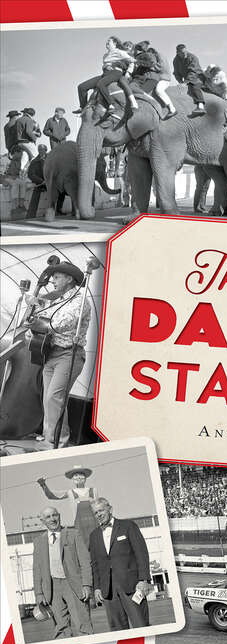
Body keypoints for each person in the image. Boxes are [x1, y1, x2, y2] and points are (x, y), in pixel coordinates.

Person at [24, 262, 91, 450]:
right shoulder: (55, 299)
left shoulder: (80, 300)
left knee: (55, 397)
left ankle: (58, 443)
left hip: (70, 354)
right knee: (49, 398)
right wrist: (31, 319)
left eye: (57, 277)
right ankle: (49, 439)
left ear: (69, 279)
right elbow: (37, 322)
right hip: (51, 353)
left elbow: (60, 324)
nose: (52, 281)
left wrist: (36, 322)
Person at [89, 497, 153, 631]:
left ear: (110, 509)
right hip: (109, 591)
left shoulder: (128, 526)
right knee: (117, 630)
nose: (99, 514)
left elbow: (141, 554)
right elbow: (95, 564)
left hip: (132, 586)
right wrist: (97, 588)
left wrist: (143, 579)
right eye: (95, 512)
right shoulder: (94, 536)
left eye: (101, 510)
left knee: (141, 625)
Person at [33, 506, 93, 639]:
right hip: (52, 588)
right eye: (48, 517)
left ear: (59, 516)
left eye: (54, 515)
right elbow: (37, 570)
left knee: (82, 625)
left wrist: (87, 585)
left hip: (73, 585)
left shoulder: (73, 534)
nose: (52, 519)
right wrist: (39, 593)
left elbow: (85, 561)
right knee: (60, 628)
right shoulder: (38, 542)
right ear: (42, 520)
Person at [74, 36, 138, 117]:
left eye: (109, 41)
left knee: (100, 84)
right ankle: (83, 107)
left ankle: (111, 105)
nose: (107, 42)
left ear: (115, 43)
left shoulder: (119, 52)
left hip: (116, 72)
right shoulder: (105, 55)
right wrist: (105, 67)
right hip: (105, 73)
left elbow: (132, 60)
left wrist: (128, 72)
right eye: (107, 41)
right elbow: (104, 65)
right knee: (81, 87)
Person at [37, 464, 98, 546]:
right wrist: (43, 485)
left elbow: (99, 508)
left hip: (95, 525)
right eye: (76, 475)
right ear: (73, 479)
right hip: (79, 527)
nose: (78, 477)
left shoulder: (93, 490)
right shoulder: (70, 492)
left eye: (81, 474)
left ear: (85, 477)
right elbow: (52, 496)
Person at [132, 41, 177, 120]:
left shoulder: (159, 55)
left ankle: (172, 108)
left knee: (159, 90)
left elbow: (161, 67)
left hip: (164, 78)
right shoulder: (155, 56)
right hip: (160, 77)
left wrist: (150, 67)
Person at [173, 44, 206, 117]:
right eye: (182, 53)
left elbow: (193, 71)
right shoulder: (175, 60)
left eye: (185, 52)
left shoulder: (193, 57)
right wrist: (180, 82)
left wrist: (185, 82)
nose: (185, 54)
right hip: (187, 79)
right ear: (178, 53)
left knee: (194, 86)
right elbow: (176, 73)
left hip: (198, 76)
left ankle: (200, 106)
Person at [15, 107, 41, 174]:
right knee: (36, 157)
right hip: (27, 142)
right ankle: (29, 172)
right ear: (32, 114)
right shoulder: (29, 120)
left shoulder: (18, 120)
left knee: (25, 156)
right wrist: (34, 138)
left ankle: (21, 170)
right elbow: (28, 132)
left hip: (19, 142)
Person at [26, 144, 48, 218]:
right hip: (39, 183)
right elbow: (31, 174)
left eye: (42, 149)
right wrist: (41, 181)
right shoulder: (34, 161)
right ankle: (30, 215)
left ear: (46, 150)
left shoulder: (51, 159)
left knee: (55, 193)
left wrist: (49, 180)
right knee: (35, 194)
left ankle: (53, 212)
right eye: (39, 150)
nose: (40, 151)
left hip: (49, 183)